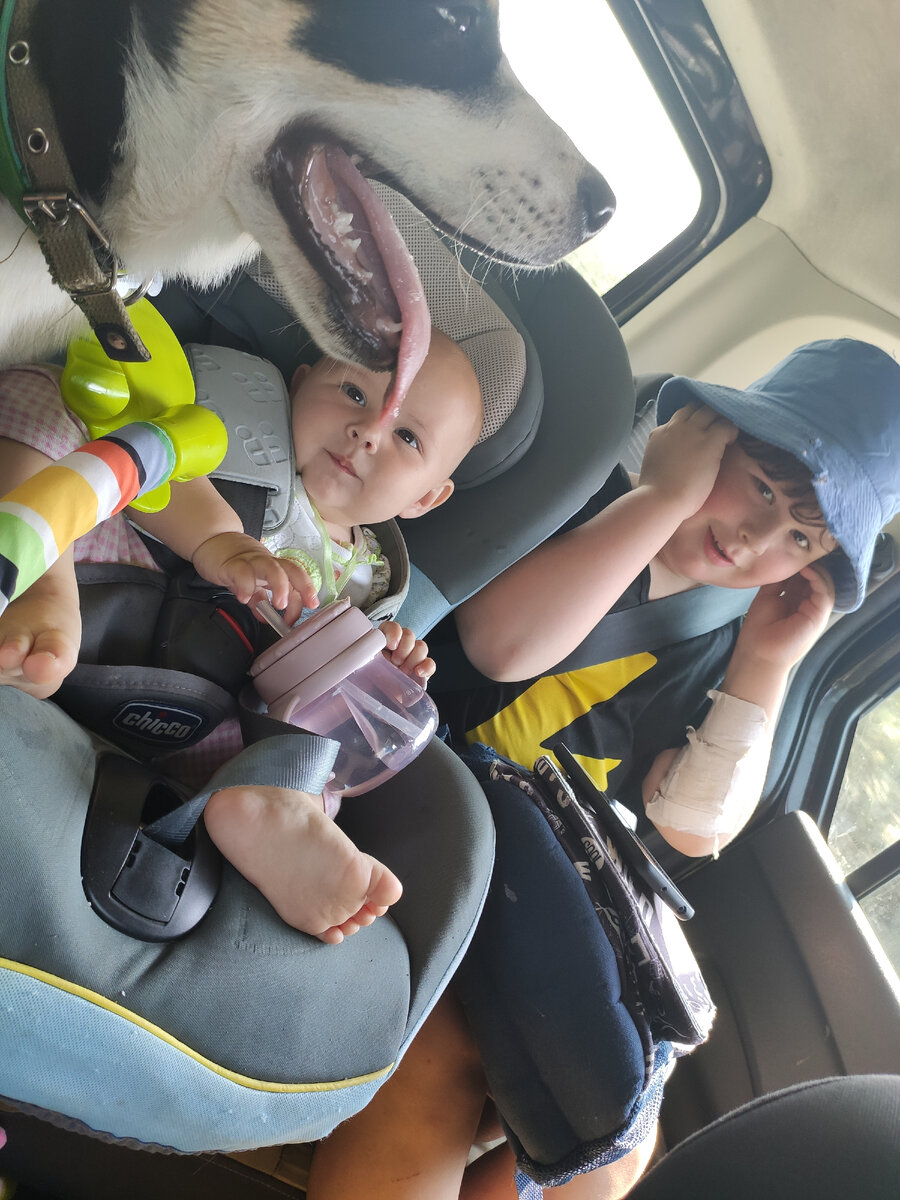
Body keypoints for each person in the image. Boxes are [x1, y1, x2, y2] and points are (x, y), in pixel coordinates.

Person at [305, 338, 900, 1199]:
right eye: (763, 489)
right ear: (707, 437)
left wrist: (766, 665)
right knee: (450, 1048)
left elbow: (691, 825)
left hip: (510, 888)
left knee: (623, 1140)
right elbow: (503, 646)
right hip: (404, 810)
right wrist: (662, 497)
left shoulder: (715, 647)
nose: (757, 537)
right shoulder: (584, 505)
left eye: (800, 537)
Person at [0, 326, 484, 944]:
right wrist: (221, 540)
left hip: (207, 722)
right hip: (110, 577)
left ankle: (268, 809)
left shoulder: (376, 582)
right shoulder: (231, 425)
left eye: (407, 437)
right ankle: (41, 590)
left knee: (314, 764)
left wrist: (386, 676)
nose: (367, 432)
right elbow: (145, 462)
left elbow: (322, 706)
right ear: (299, 384)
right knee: (51, 402)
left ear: (426, 498)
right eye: (355, 394)